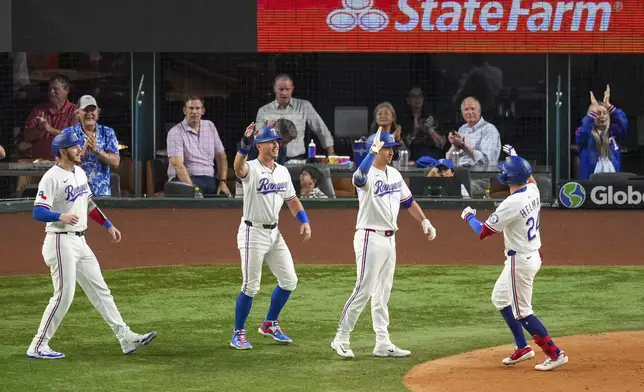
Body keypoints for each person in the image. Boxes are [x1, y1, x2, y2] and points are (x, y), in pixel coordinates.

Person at [27, 132, 156, 359]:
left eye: (78, 146)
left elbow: (87, 203)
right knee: (64, 295)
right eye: (74, 147)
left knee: (101, 290)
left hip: (80, 242)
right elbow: (38, 211)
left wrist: (107, 224)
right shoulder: (51, 177)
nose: (79, 150)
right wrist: (60, 215)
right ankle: (38, 345)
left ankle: (124, 336)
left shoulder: (80, 172)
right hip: (60, 240)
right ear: (62, 152)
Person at [459, 145, 568, 371]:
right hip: (529, 256)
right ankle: (523, 347)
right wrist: (516, 157)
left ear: (507, 178)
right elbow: (530, 178)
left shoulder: (511, 204)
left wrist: (469, 215)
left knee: (523, 313)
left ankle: (555, 353)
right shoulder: (533, 190)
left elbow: (482, 231)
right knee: (500, 298)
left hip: (521, 262)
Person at [330, 128, 437, 359]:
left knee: (382, 294)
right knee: (363, 290)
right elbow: (358, 177)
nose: (391, 152)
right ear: (376, 149)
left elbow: (409, 202)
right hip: (370, 236)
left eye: (392, 148)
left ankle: (382, 342)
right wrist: (371, 153)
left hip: (390, 239)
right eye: (387, 148)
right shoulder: (366, 174)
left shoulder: (394, 175)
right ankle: (341, 337)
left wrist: (424, 221)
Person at [230, 122, 313, 350]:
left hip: (274, 233)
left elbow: (292, 200)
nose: (276, 145)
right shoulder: (251, 168)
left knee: (289, 281)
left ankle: (269, 323)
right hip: (252, 232)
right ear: (259, 145)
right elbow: (237, 168)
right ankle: (238, 332)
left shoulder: (283, 171)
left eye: (277, 141)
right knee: (250, 286)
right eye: (271, 141)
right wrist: (244, 143)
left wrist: (303, 220)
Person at [255, 74, 335, 159]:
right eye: (281, 89)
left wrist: (331, 153)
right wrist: (266, 129)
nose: (284, 93)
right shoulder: (264, 110)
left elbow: (321, 128)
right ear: (275, 88)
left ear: (292, 89)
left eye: (287, 89)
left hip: (297, 159)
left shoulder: (304, 106)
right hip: (271, 160)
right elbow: (256, 137)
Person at [167, 96, 230, 196]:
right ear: (185, 110)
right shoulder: (175, 132)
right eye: (191, 108)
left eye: (197, 108)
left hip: (210, 180)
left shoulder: (210, 126)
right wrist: (193, 190)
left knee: (226, 200)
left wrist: (222, 181)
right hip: (185, 180)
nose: (194, 112)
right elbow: (177, 165)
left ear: (203, 111)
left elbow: (221, 156)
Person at [62, 95, 120, 197]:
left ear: (98, 112)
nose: (89, 114)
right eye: (85, 110)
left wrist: (97, 150)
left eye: (92, 110)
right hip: (74, 194)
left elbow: (115, 162)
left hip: (101, 193)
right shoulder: (68, 133)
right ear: (77, 114)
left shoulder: (108, 132)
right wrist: (82, 154)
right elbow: (61, 163)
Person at [446, 96, 501, 196]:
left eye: (472, 109)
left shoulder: (490, 130)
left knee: (456, 190)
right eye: (466, 109)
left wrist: (464, 146)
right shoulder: (462, 129)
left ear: (479, 111)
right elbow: (449, 160)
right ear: (462, 113)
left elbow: (485, 161)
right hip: (459, 176)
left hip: (480, 179)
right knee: (439, 185)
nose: (469, 112)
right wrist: (454, 145)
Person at [576, 85, 628, 180]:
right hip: (591, 183)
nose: (602, 116)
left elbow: (624, 123)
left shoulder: (614, 132)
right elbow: (582, 133)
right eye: (598, 113)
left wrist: (609, 106)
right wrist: (592, 113)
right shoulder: (587, 134)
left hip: (614, 182)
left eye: (605, 113)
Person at [399, 86, 447, 160]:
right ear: (408, 100)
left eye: (420, 96)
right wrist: (414, 133)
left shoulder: (431, 117)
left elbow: (442, 144)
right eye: (414, 96)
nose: (417, 99)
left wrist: (431, 131)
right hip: (414, 159)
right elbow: (403, 147)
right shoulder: (404, 120)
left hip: (434, 157)